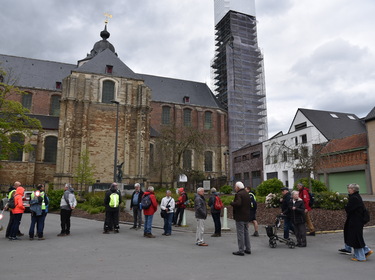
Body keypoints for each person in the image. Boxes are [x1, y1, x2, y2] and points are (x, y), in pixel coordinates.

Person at [342, 183, 373, 262]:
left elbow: (349, 209)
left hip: (355, 221)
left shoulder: (354, 198)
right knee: (357, 236)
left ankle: (360, 256)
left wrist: (345, 206)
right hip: (357, 220)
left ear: (353, 189)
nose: (348, 189)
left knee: (355, 237)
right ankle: (366, 250)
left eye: (349, 188)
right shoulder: (357, 197)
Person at [230, 181, 251, 255]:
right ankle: (248, 248)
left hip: (240, 216)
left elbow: (238, 203)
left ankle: (241, 250)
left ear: (238, 187)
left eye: (235, 187)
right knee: (246, 233)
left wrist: (232, 203)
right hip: (246, 216)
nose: (235, 188)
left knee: (240, 233)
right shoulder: (247, 194)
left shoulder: (238, 194)